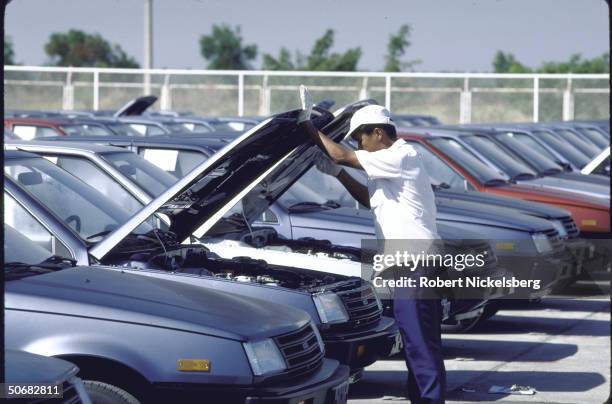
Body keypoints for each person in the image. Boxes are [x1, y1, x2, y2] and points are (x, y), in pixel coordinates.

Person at [297, 86, 446, 404]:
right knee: (420, 342)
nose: (357, 145)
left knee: (419, 343)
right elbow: (369, 199)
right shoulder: (392, 162)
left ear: (378, 133)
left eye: (359, 139)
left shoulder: (400, 155)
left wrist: (307, 126)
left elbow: (340, 154)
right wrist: (338, 175)